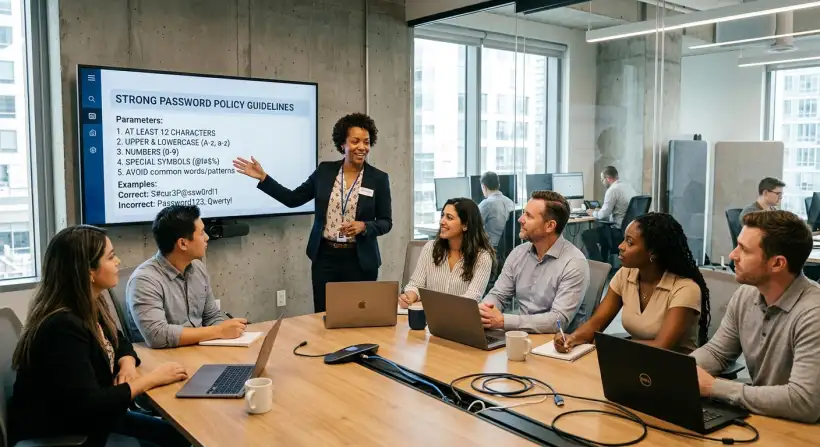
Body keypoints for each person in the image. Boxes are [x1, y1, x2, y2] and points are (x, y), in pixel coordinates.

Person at [8, 225, 190, 447]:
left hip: (95, 420)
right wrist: (151, 379)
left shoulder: (89, 303)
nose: (118, 262)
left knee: (180, 437)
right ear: (89, 271)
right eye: (111, 257)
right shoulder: (62, 327)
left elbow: (120, 342)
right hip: (66, 433)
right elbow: (88, 403)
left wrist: (127, 365)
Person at [233, 113, 392, 313]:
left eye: (367, 142)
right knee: (324, 316)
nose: (362, 147)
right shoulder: (325, 172)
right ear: (343, 144)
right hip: (326, 257)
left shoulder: (378, 179)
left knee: (359, 317)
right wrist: (264, 178)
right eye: (355, 141)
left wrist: (364, 226)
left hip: (359, 260)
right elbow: (293, 199)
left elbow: (386, 222)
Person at [693, 210, 820, 423]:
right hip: (766, 416)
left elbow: (804, 402)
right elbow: (717, 353)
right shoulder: (747, 294)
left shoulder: (813, 313)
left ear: (777, 263)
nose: (733, 255)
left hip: (805, 430)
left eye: (743, 249)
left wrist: (714, 387)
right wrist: (676, 371)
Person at [554, 213, 711, 354]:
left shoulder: (685, 288)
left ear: (653, 253)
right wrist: (572, 338)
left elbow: (662, 347)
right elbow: (597, 322)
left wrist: (611, 346)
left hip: (675, 370)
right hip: (634, 361)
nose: (620, 247)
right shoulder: (626, 274)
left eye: (629, 242)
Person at [126, 205, 247, 348]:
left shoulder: (198, 268)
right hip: (162, 360)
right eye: (202, 233)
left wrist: (233, 333)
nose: (207, 237)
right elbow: (157, 335)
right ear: (183, 243)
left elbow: (212, 317)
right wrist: (218, 331)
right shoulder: (144, 280)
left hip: (197, 351)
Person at [479, 190, 590, 333]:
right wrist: (485, 311)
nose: (520, 219)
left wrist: (502, 321)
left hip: (559, 344)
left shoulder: (574, 263)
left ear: (550, 226)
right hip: (522, 337)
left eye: (529, 216)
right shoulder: (518, 253)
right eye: (524, 213)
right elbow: (499, 295)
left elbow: (558, 321)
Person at [399, 198, 495, 307]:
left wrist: (435, 304)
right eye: (442, 215)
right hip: (429, 318)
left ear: (465, 225)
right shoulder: (430, 248)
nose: (442, 221)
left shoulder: (482, 257)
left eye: (449, 218)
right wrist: (409, 297)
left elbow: (471, 298)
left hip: (461, 320)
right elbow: (415, 284)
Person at [582, 165, 636, 262]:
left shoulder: (612, 190)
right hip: (629, 230)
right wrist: (600, 210)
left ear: (608, 178)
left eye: (602, 179)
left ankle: (599, 266)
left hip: (617, 232)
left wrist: (592, 212)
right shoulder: (628, 187)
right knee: (601, 232)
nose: (602, 182)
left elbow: (602, 215)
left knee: (587, 235)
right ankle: (604, 266)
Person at [478, 171, 515, 249]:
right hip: (506, 247)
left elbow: (473, 225)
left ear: (484, 187)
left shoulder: (487, 204)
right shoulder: (510, 201)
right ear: (498, 185)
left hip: (491, 247)